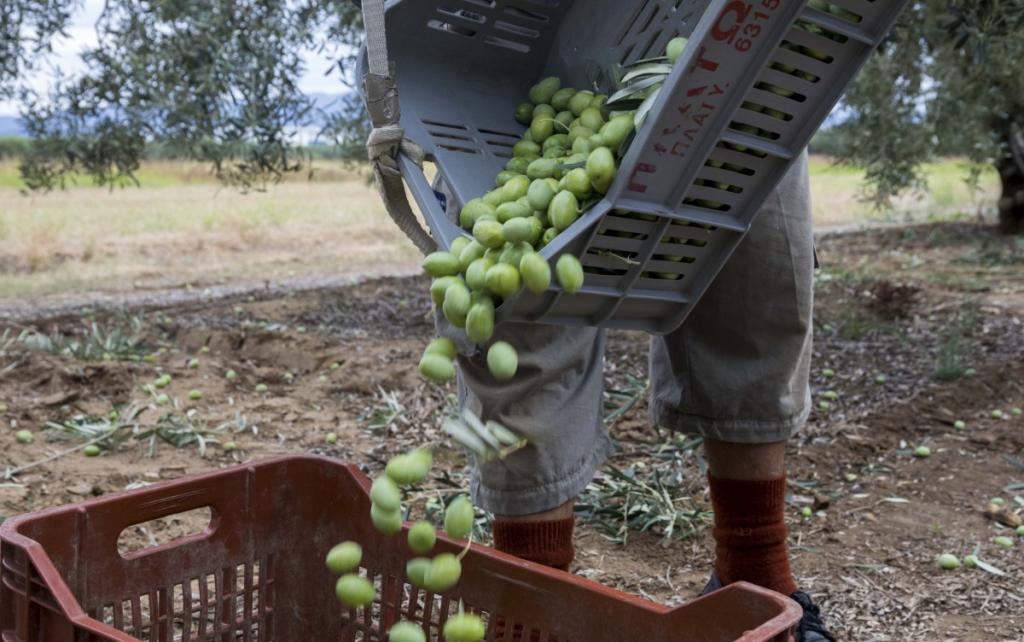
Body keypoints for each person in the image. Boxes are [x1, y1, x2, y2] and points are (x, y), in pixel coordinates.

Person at [441, 150, 835, 642]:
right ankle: (529, 616)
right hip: (501, 81)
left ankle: (754, 576)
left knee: (756, 264)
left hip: (719, 79)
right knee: (515, 308)